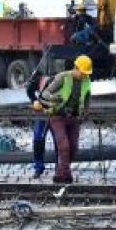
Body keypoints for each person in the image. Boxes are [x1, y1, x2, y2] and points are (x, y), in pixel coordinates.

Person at [42, 55, 92, 184]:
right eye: (82, 73)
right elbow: (45, 93)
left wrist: (85, 111)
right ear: (75, 68)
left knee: (73, 148)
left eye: (86, 73)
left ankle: (60, 173)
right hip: (58, 116)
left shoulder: (86, 81)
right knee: (63, 146)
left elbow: (87, 97)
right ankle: (66, 176)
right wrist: (54, 99)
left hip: (74, 118)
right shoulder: (63, 77)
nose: (84, 76)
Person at [25, 63, 56, 179]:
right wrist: (34, 101)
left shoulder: (53, 82)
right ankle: (38, 167)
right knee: (38, 139)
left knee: (58, 139)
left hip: (54, 114)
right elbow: (29, 91)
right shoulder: (35, 83)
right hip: (41, 114)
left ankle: (60, 167)